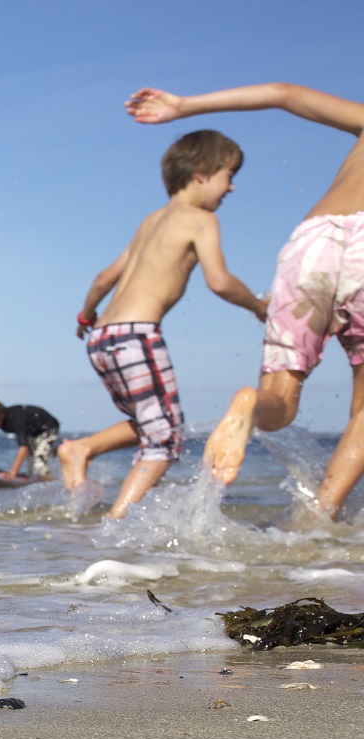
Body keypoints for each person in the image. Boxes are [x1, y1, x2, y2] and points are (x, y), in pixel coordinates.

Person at [128, 86, 364, 518]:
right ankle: (319, 518)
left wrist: (185, 106)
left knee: (280, 397)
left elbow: (282, 94)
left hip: (311, 238)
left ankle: (251, 405)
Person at [56, 129, 268, 517]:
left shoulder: (151, 220)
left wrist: (85, 316)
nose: (232, 189)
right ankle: (118, 522)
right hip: (136, 336)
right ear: (202, 173)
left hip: (101, 337)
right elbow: (219, 281)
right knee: (165, 440)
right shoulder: (201, 219)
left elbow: (105, 277)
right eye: (229, 176)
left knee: (149, 421)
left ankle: (81, 449)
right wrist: (258, 306)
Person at [0, 398, 60, 479]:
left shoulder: (17, 420)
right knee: (33, 460)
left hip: (48, 428)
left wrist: (12, 473)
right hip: (33, 431)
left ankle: (47, 479)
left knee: (39, 460)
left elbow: (23, 448)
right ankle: (37, 473)